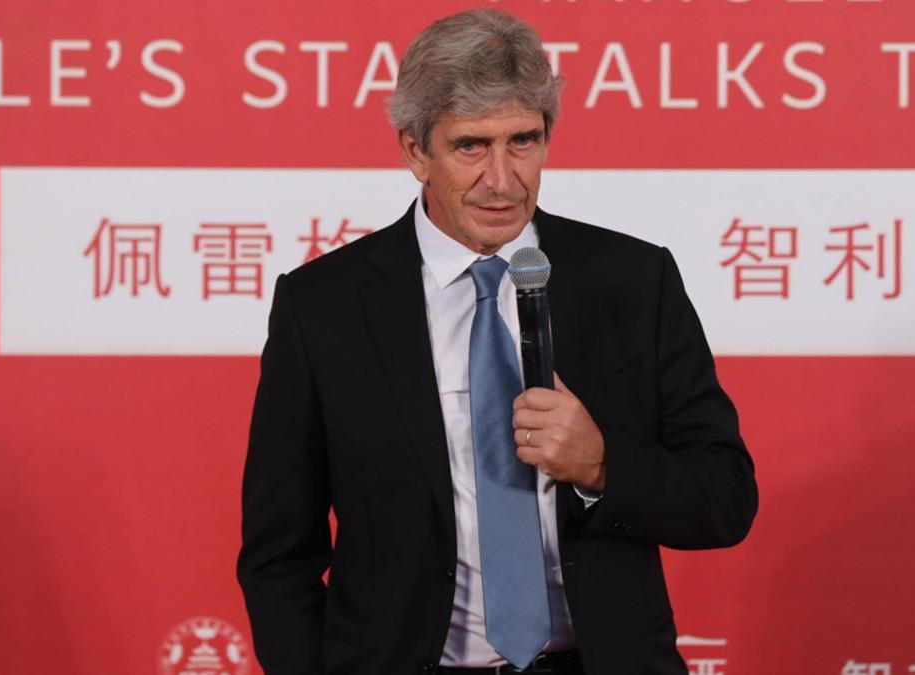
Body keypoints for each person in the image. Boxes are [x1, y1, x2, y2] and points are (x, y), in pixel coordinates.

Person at [237, 8, 758, 674]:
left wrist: (603, 466)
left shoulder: (633, 280)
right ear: (415, 150)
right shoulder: (324, 308)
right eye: (471, 146)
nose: (503, 180)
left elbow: (725, 497)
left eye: (523, 141)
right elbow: (279, 552)